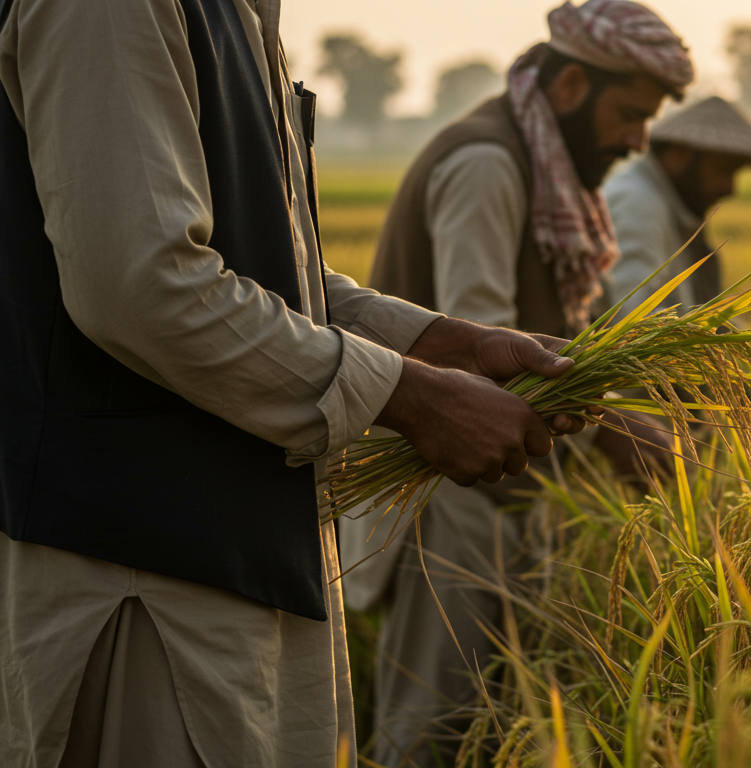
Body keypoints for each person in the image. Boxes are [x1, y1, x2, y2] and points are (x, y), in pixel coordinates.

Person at [0, 0, 586, 766]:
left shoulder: (240, 13)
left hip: (249, 563)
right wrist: (413, 397)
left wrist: (450, 346)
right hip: (144, 581)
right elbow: (143, 286)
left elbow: (272, 277)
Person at [347, 2, 692, 765]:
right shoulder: (487, 165)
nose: (640, 140)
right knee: (432, 731)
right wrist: (612, 429)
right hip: (446, 500)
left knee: (498, 724)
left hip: (503, 494)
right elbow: (481, 363)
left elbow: (575, 332)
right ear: (570, 86)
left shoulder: (555, 173)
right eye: (631, 115)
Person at [604, 96, 751, 313]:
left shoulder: (668, 207)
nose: (730, 188)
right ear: (680, 153)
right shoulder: (639, 203)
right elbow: (630, 315)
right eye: (724, 169)